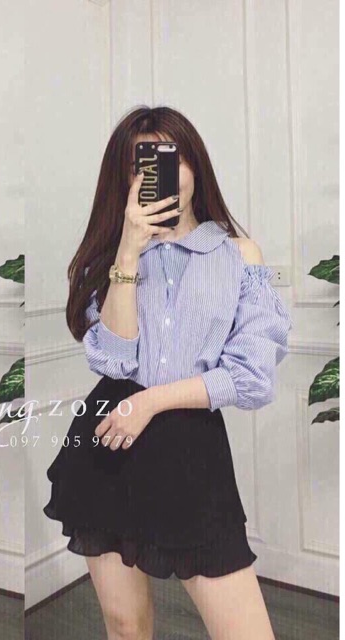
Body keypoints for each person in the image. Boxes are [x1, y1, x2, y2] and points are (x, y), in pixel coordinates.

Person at [43, 106, 292, 640]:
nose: (157, 172)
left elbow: (251, 376)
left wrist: (151, 401)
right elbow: (114, 361)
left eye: (167, 157)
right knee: (125, 625)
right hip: (108, 445)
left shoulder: (237, 255)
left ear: (194, 163)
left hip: (189, 451)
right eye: (141, 164)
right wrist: (129, 250)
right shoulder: (112, 259)